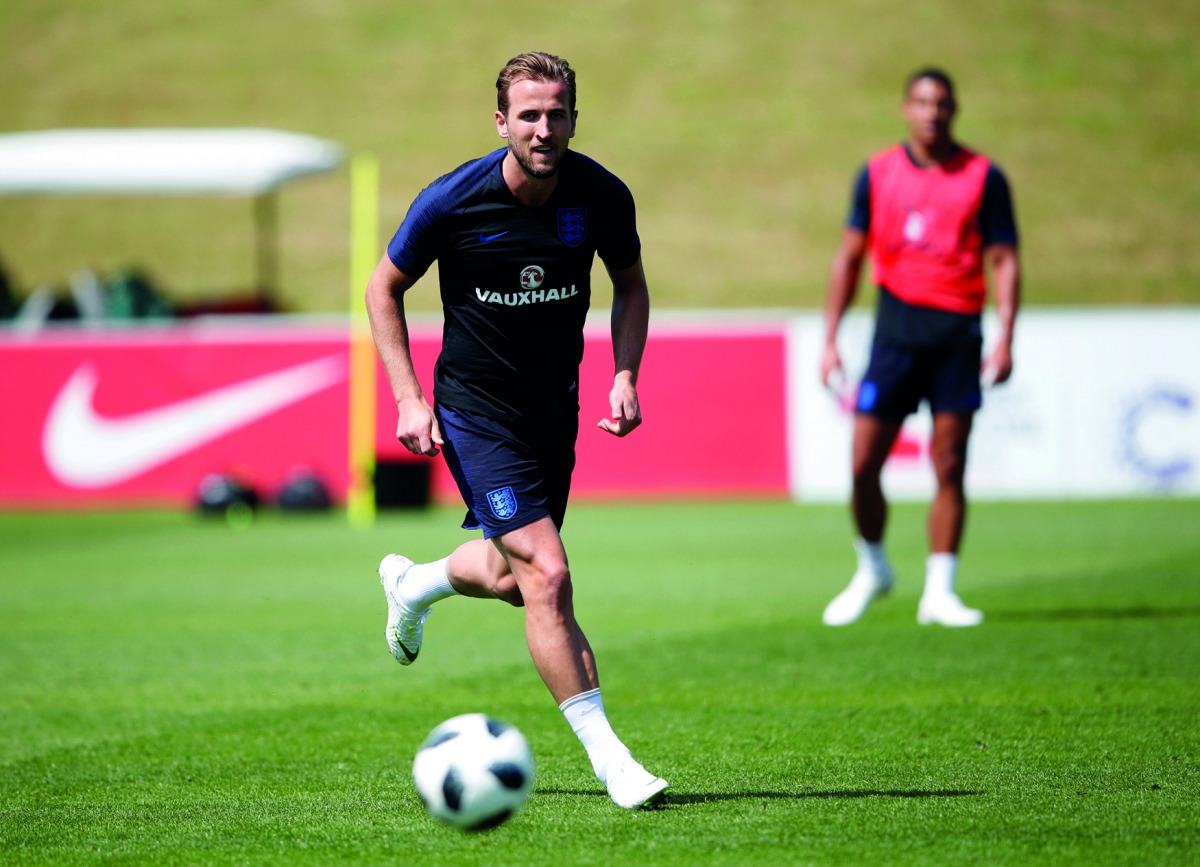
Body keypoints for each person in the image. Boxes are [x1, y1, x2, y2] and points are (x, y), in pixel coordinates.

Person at [364, 51, 669, 809]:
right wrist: (408, 399)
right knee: (549, 574)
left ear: (573, 117)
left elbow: (630, 285)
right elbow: (383, 289)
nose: (543, 127)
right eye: (528, 114)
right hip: (474, 412)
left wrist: (625, 372)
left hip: (550, 412)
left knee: (511, 578)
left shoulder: (601, 195)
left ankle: (414, 583)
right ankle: (614, 762)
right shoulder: (451, 201)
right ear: (501, 121)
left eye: (556, 112)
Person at [819, 67, 1021, 628]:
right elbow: (850, 257)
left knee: (949, 464)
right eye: (922, 102)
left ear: (953, 110)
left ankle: (940, 591)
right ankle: (873, 568)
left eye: (942, 103)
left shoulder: (984, 177)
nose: (932, 112)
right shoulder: (878, 173)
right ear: (906, 108)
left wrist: (1006, 334)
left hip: (957, 335)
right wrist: (830, 339)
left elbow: (1004, 258)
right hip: (895, 333)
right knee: (863, 464)